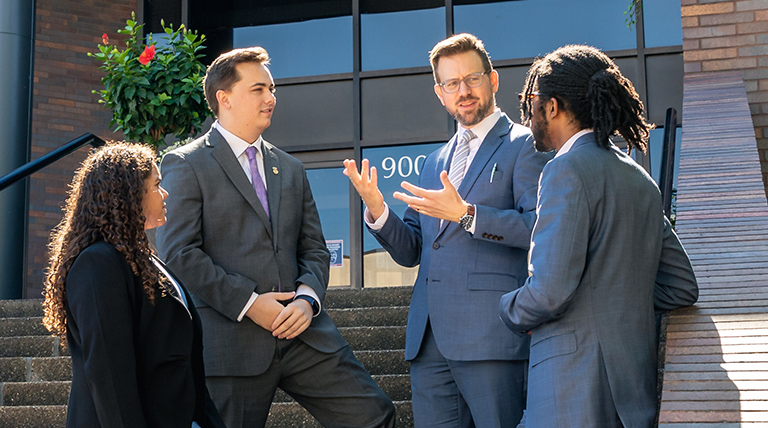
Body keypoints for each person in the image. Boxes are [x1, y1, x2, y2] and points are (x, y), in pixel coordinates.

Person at [156, 47, 395, 428]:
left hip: (305, 335)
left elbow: (314, 249)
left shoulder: (291, 168)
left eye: (272, 88)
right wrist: (250, 303)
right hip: (232, 341)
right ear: (225, 98)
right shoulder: (186, 163)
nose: (271, 98)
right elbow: (179, 254)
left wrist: (307, 300)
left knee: (374, 415)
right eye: (258, 89)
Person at [343, 33, 552, 427]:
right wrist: (377, 209)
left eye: (471, 79)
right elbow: (413, 251)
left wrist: (468, 214)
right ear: (440, 93)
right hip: (429, 343)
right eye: (451, 83)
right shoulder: (435, 159)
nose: (463, 91)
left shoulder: (526, 145)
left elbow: (538, 228)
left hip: (492, 336)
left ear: (493, 80)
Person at [499, 44, 699, 428]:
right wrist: (612, 297)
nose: (529, 115)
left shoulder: (564, 170)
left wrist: (506, 309)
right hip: (630, 392)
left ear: (553, 106)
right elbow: (681, 286)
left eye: (531, 102)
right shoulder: (639, 178)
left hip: (571, 391)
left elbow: (548, 291)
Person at [41, 142, 226, 428]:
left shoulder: (148, 262)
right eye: (156, 185)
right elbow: (110, 378)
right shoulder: (98, 265)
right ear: (128, 193)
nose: (165, 194)